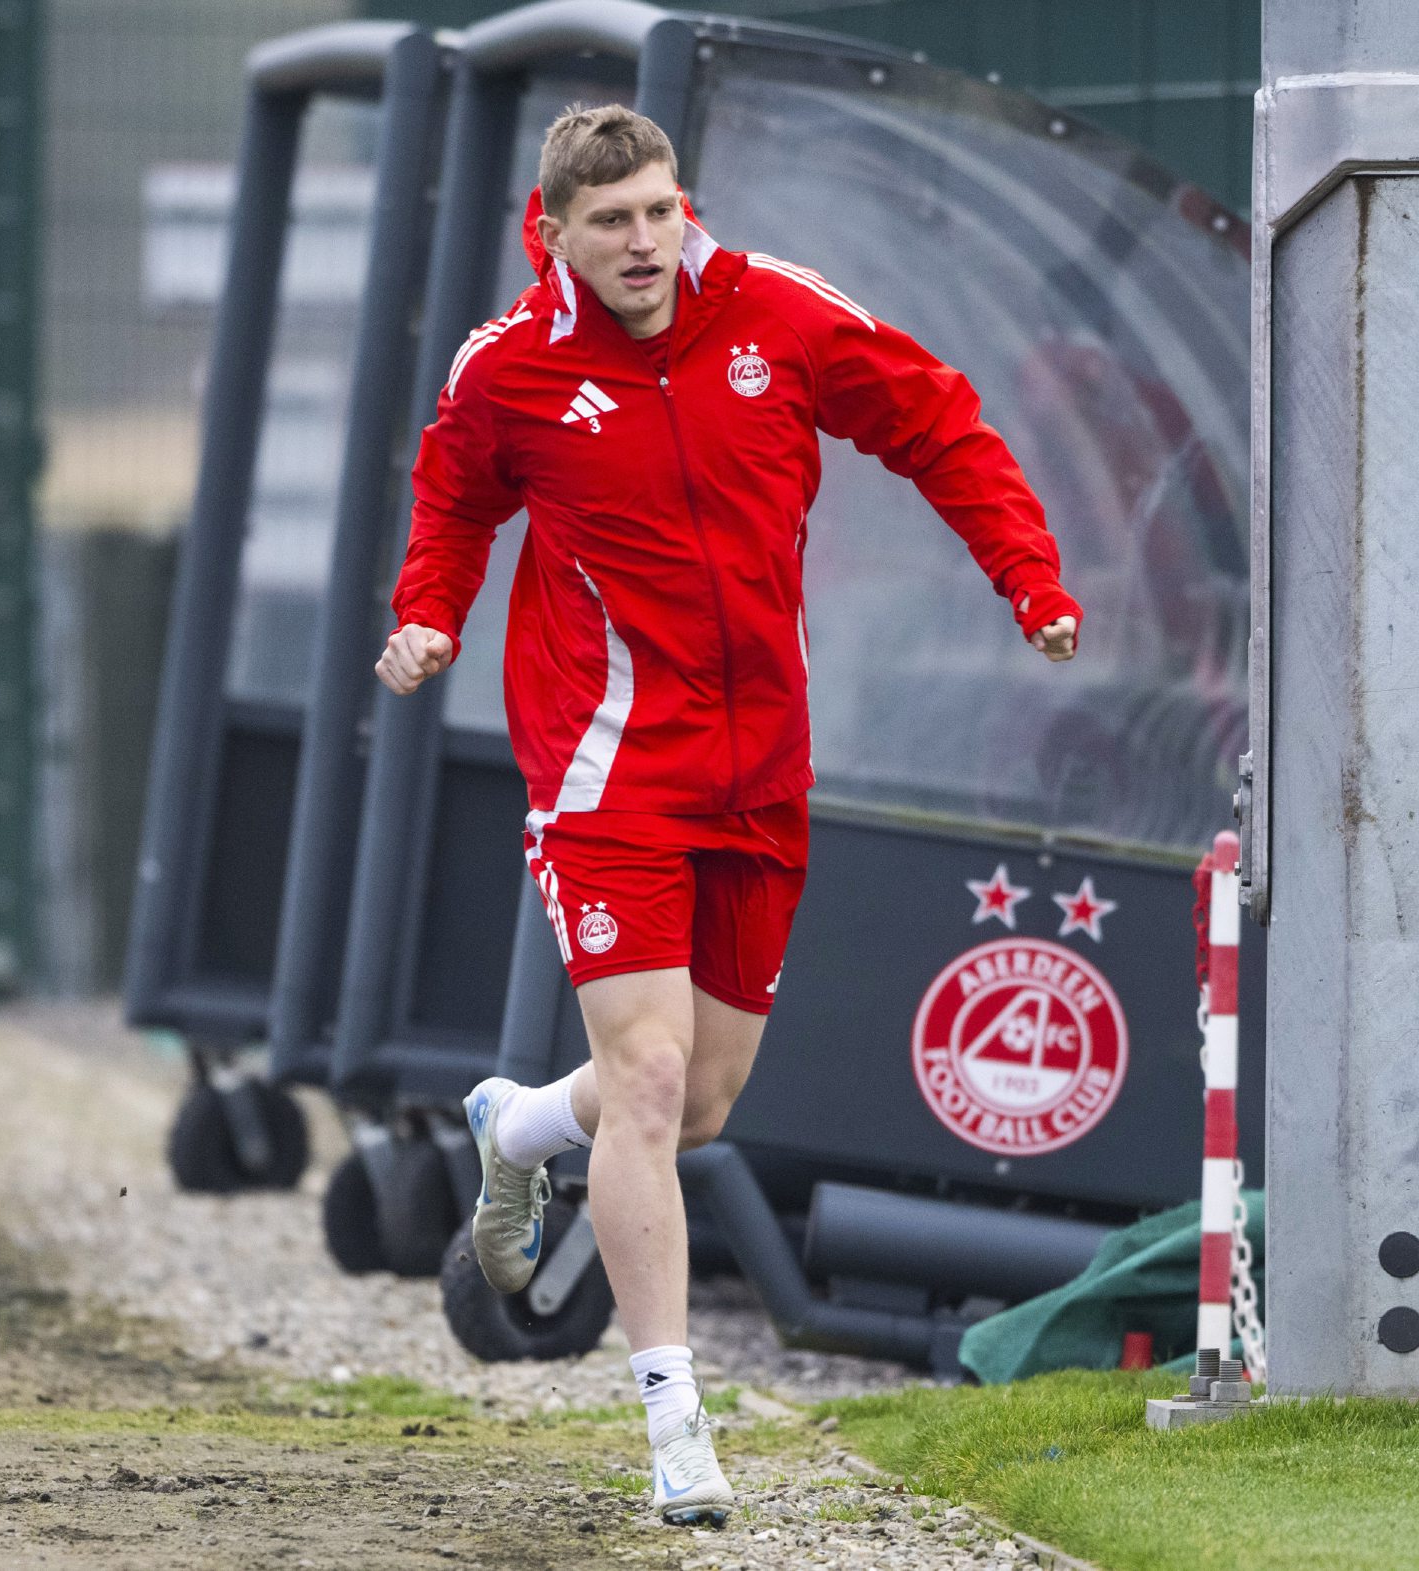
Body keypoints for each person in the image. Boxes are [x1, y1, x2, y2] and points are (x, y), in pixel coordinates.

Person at [377, 103, 1081, 1527]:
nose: (646, 243)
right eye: (613, 221)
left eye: (661, 211)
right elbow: (453, 506)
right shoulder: (510, 373)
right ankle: (674, 1427)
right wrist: (425, 618)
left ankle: (517, 1132)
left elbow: (939, 423)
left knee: (693, 1104)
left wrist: (1032, 579)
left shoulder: (778, 312)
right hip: (606, 771)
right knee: (643, 1079)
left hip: (761, 771)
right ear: (555, 233)